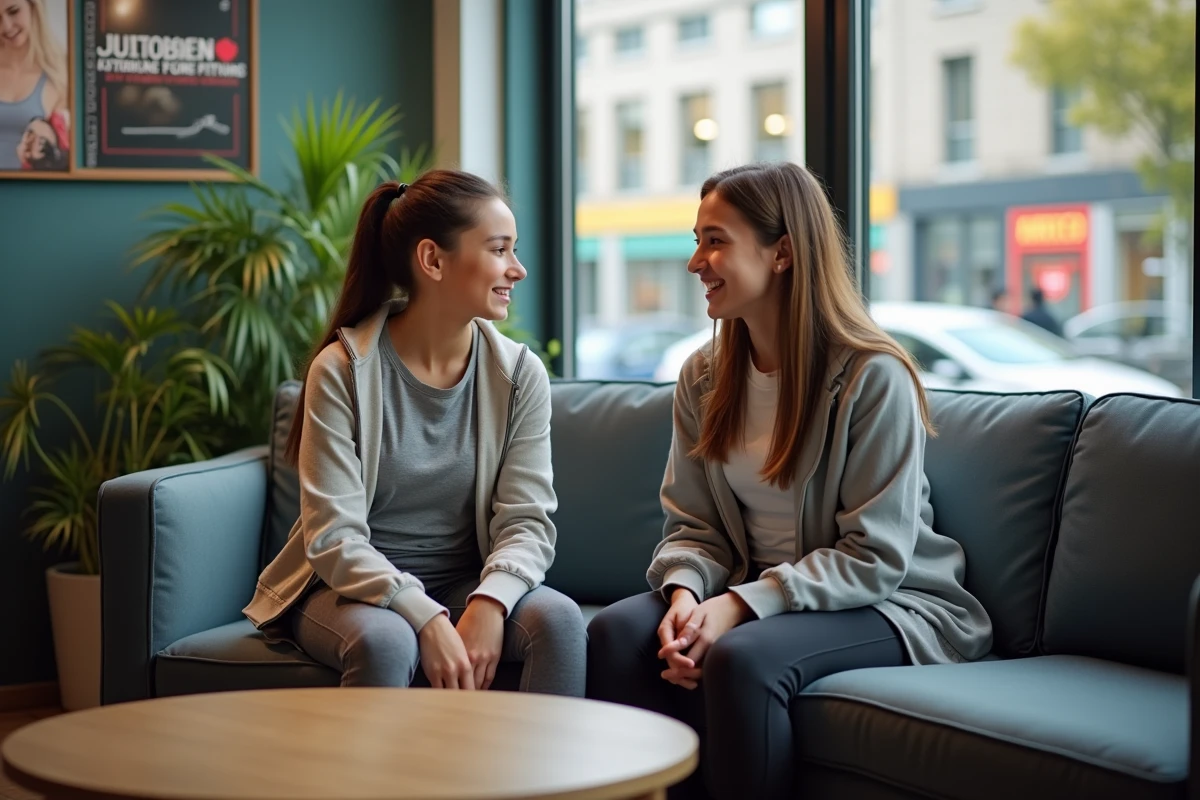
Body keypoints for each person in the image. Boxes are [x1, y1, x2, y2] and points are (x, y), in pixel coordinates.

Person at [586, 163, 993, 800]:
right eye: (697, 239)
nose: (696, 261)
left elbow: (876, 556)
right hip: (758, 590)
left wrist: (740, 606)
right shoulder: (704, 375)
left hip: (890, 601)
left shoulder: (870, 376)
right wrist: (687, 597)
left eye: (714, 240)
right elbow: (694, 526)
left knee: (742, 658)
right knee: (614, 634)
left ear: (783, 253)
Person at [243, 170, 586, 696]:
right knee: (387, 643)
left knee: (558, 622)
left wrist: (490, 602)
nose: (517, 269)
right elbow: (333, 538)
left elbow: (526, 521)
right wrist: (425, 618)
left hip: (465, 580)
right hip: (348, 588)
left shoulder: (519, 375)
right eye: (499, 250)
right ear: (433, 260)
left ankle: (536, 780)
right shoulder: (341, 370)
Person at [0, 0, 69, 171]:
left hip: (33, 192)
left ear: (34, 7)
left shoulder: (61, 73)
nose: (6, 26)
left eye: (14, 11)